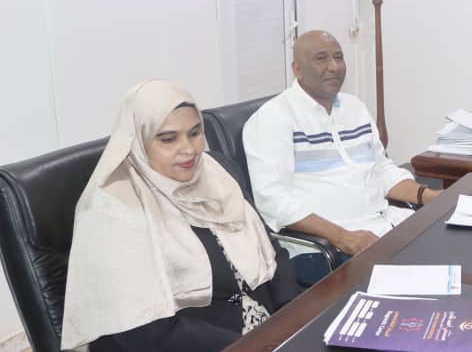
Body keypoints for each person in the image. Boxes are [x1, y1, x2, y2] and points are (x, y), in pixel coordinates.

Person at [61, 81, 301, 352]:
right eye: (168, 139)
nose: (188, 149)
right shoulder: (112, 209)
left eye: (195, 133)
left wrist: (294, 315)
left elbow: (270, 249)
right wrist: (249, 345)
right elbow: (140, 332)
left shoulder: (218, 172)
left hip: (267, 331)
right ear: (138, 141)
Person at [243, 30, 441, 285]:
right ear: (297, 69)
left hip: (384, 227)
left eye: (338, 57)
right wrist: (342, 237)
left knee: (457, 251)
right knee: (426, 286)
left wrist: (428, 196)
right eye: (321, 58)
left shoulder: (354, 108)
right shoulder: (273, 119)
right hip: (326, 249)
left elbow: (381, 170)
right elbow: (273, 201)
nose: (334, 66)